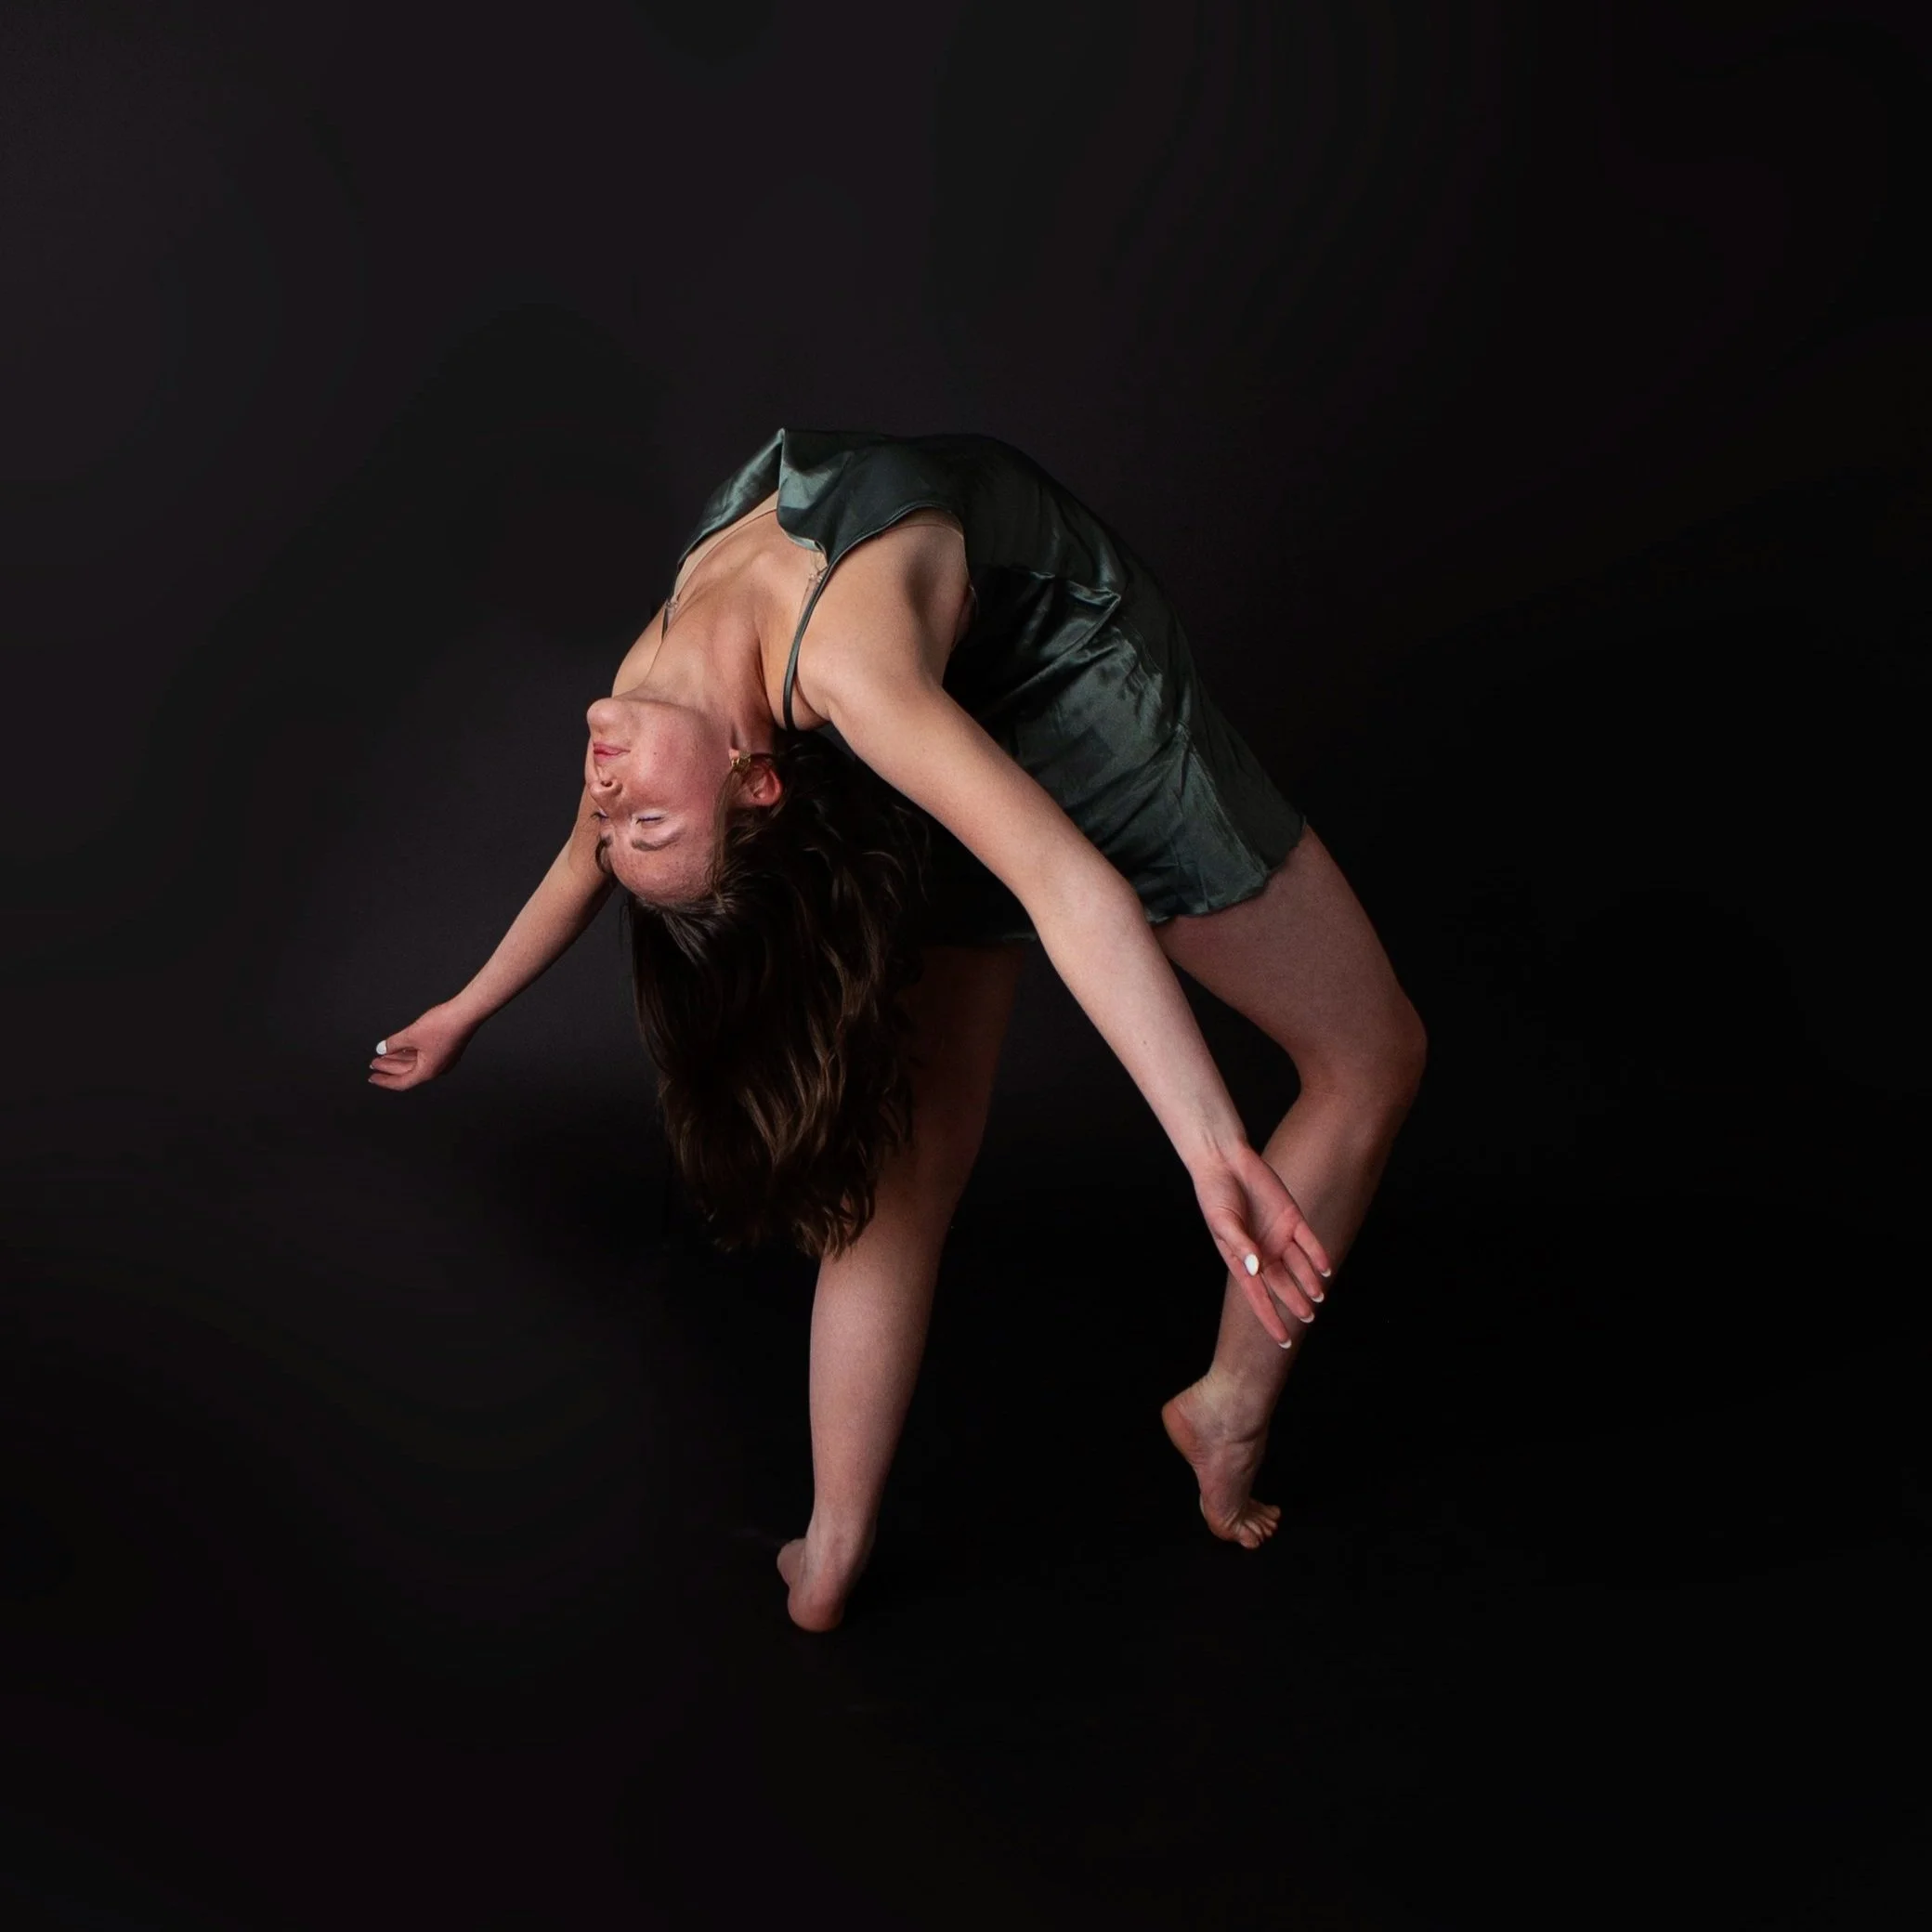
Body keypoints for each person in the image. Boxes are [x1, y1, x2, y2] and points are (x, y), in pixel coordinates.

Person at [370, 427, 1426, 1632]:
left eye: (622, 827)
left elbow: (577, 865)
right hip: (1075, 707)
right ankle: (1176, 1425)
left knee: (948, 1149)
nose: (605, 804)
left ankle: (838, 1554)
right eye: (643, 828)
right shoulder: (831, 684)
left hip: (991, 683)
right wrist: (1210, 1146)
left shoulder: (655, 692)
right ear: (755, 776)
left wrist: (461, 1007)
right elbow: (1064, 881)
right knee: (1369, 1053)